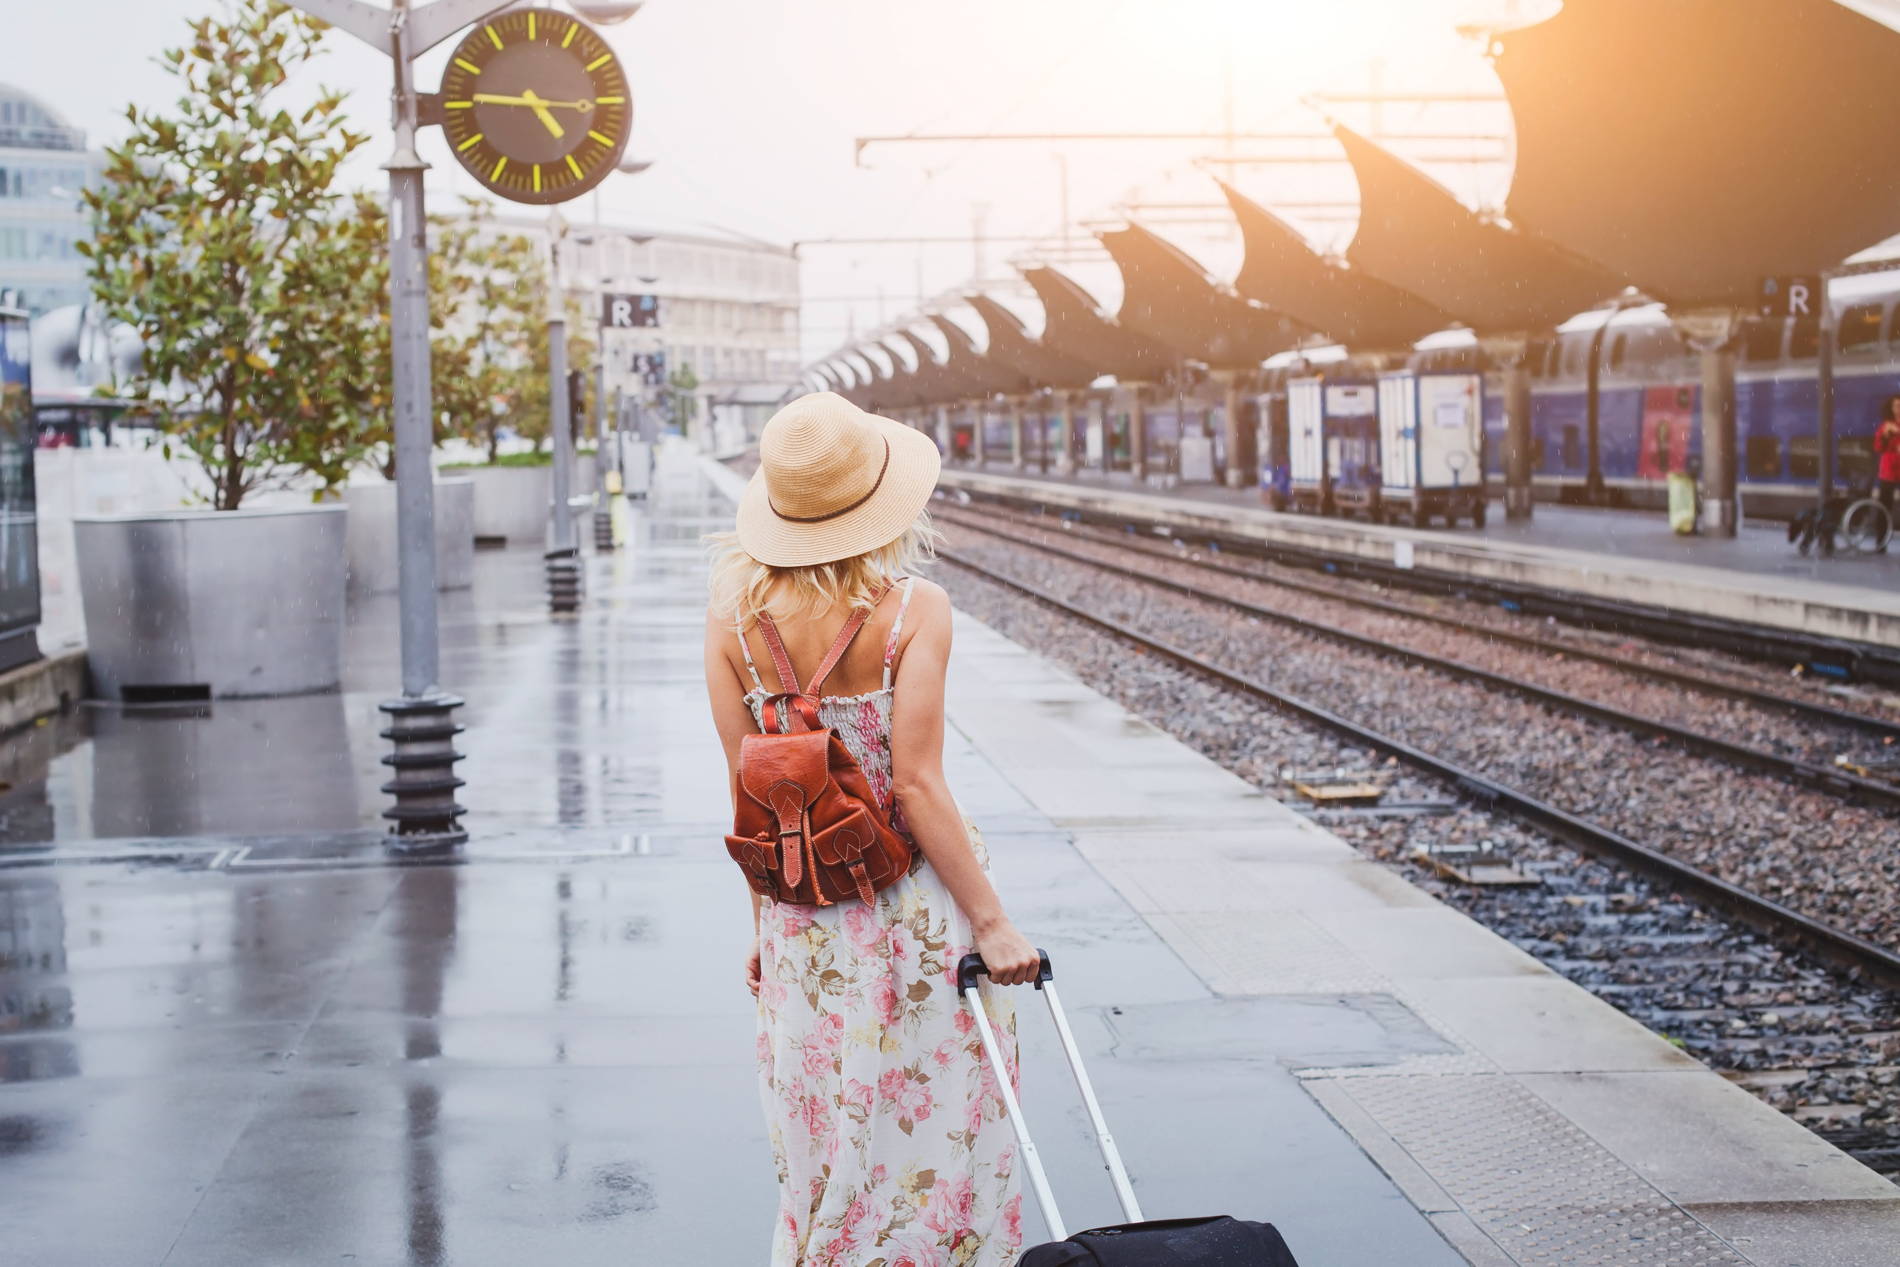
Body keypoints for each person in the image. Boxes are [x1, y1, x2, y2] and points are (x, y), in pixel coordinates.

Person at [704, 391, 1042, 1266]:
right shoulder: (912, 610)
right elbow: (919, 787)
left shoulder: (730, 621)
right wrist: (996, 923)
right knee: (930, 1130)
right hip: (909, 915)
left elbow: (750, 791)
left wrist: (761, 930)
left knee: (828, 1139)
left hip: (801, 923)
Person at [1876, 396, 1900, 521]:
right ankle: (1881, 534)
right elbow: (1878, 447)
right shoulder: (1886, 426)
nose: (1899, 408)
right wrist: (1885, 435)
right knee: (1885, 504)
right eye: (1896, 406)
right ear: (1891, 409)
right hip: (1889, 470)